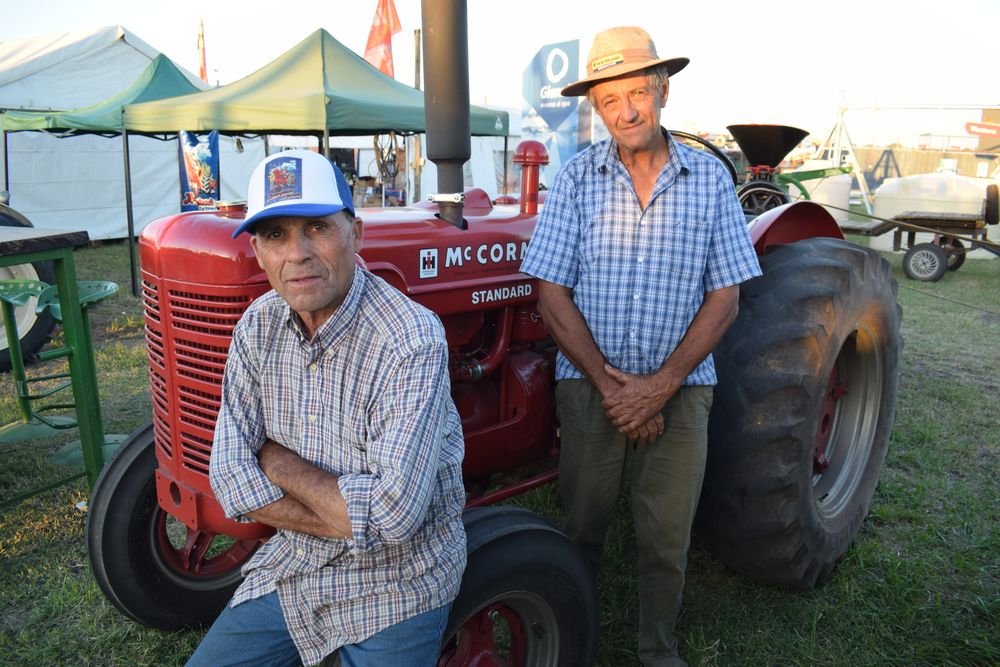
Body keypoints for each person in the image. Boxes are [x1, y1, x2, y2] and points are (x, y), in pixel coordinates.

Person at [520, 26, 762, 667]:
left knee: (666, 536)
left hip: (683, 389)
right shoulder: (575, 180)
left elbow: (726, 298)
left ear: (661, 91)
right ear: (596, 109)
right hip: (590, 388)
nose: (624, 112)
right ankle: (575, 636)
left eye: (636, 93)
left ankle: (658, 648)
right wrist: (612, 387)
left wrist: (659, 387)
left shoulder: (710, 179)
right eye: (608, 101)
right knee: (582, 525)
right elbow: (551, 293)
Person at [189, 149, 466, 667]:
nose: (296, 253)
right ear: (257, 249)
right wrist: (343, 516)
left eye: (316, 226)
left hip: (400, 580)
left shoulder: (410, 338)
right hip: (295, 564)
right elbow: (228, 477)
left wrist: (273, 460)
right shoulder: (258, 325)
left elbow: (396, 519)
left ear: (356, 233)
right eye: (275, 235)